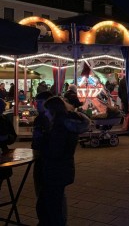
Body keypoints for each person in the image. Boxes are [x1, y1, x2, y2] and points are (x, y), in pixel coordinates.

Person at [36, 96, 89, 225]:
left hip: (56, 170)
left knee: (53, 206)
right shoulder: (66, 124)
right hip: (63, 169)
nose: (46, 114)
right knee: (55, 202)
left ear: (54, 111)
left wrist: (42, 141)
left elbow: (54, 151)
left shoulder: (59, 128)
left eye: (47, 111)